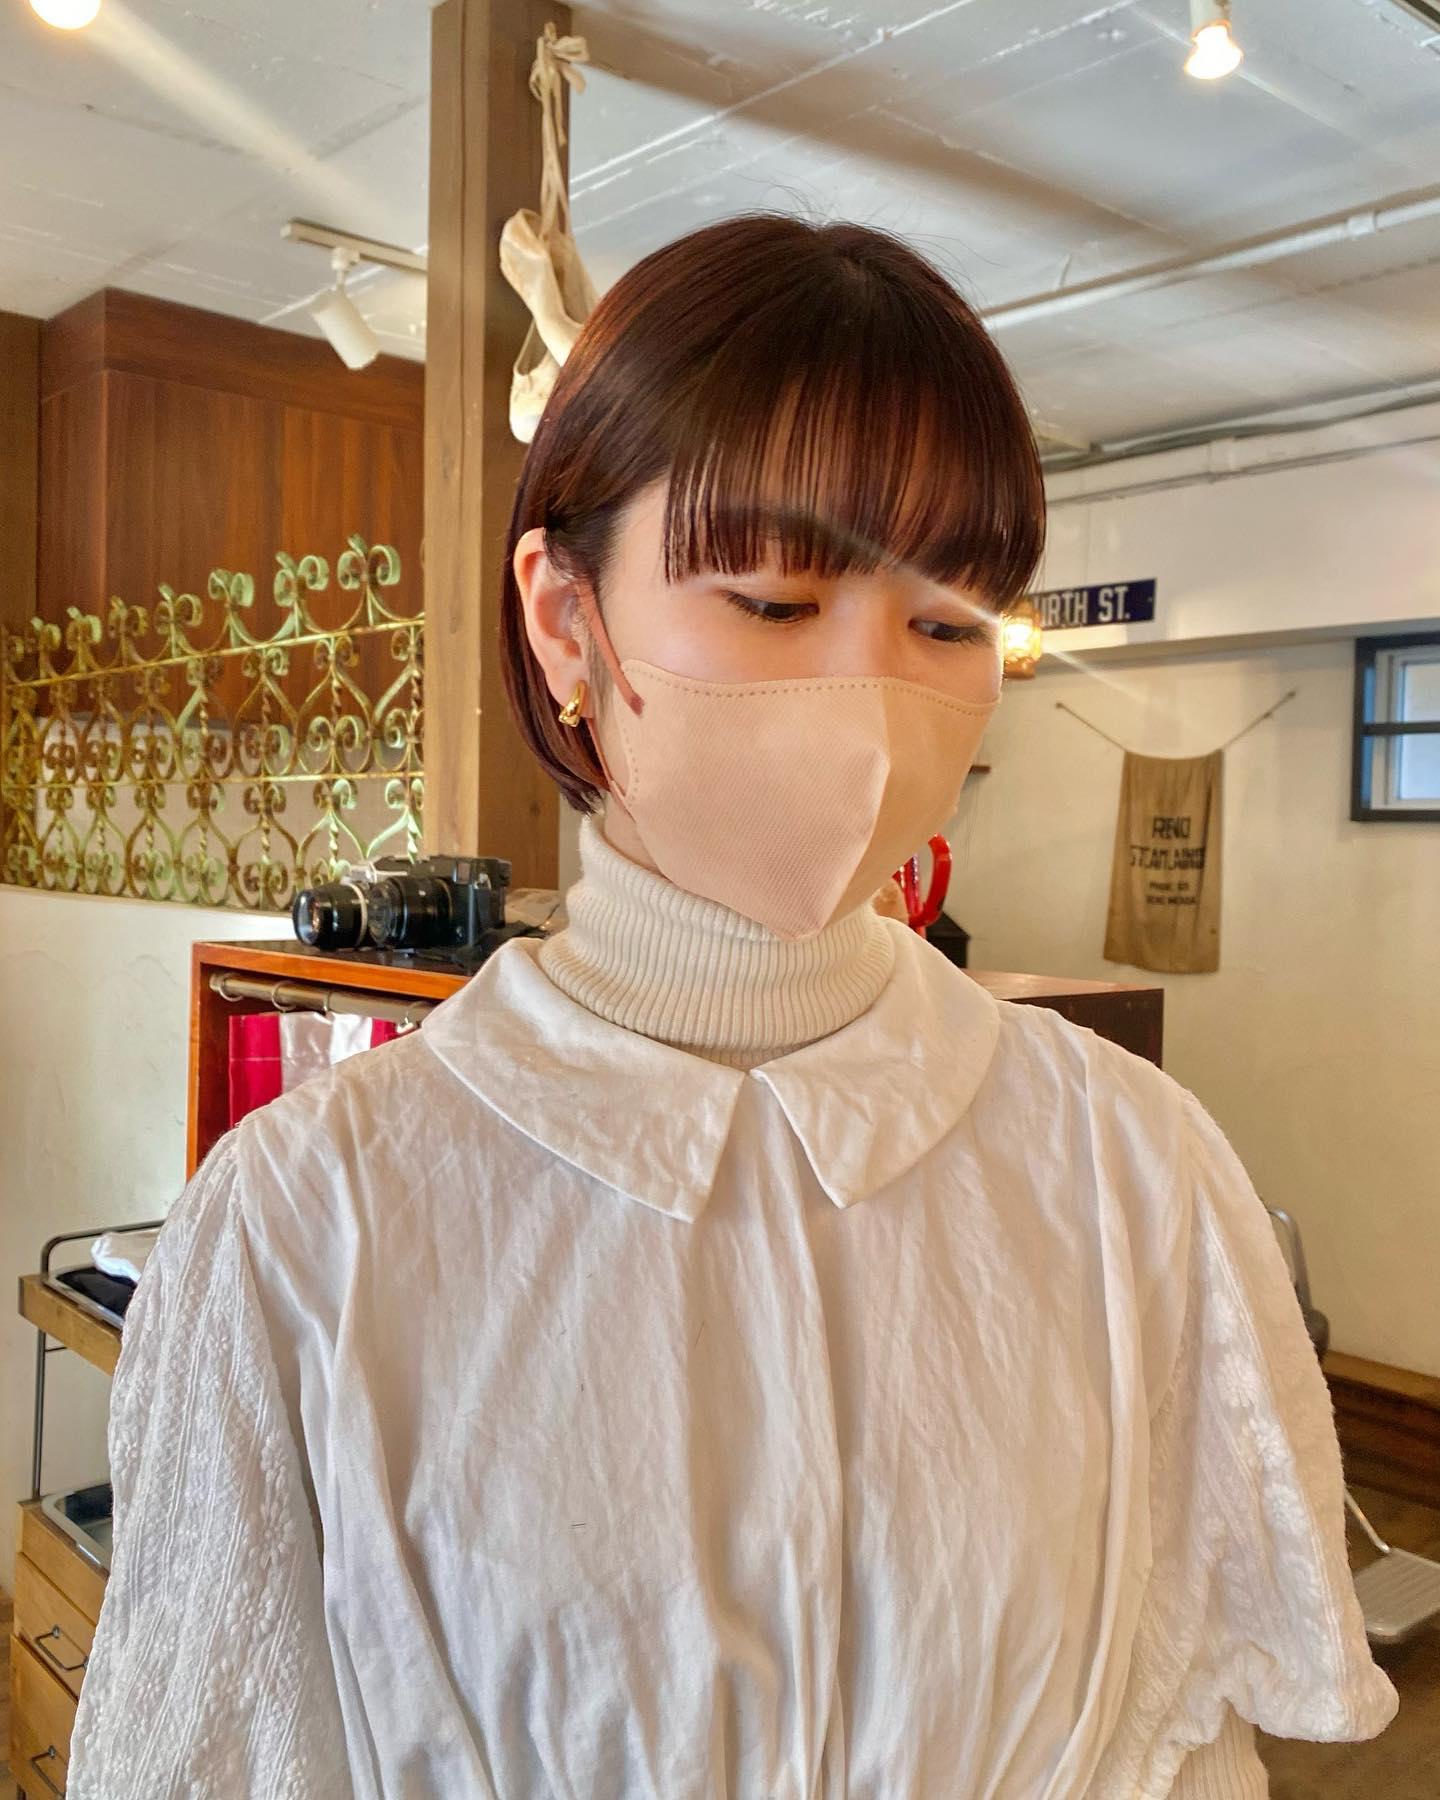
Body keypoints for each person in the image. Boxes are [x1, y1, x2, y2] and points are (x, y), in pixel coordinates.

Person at [69, 214, 1396, 1799]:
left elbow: (1185, 1746)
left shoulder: (1132, 1172)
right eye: (774, 601)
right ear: (567, 619)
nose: (871, 700)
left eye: (949, 625)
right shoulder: (313, 1225)